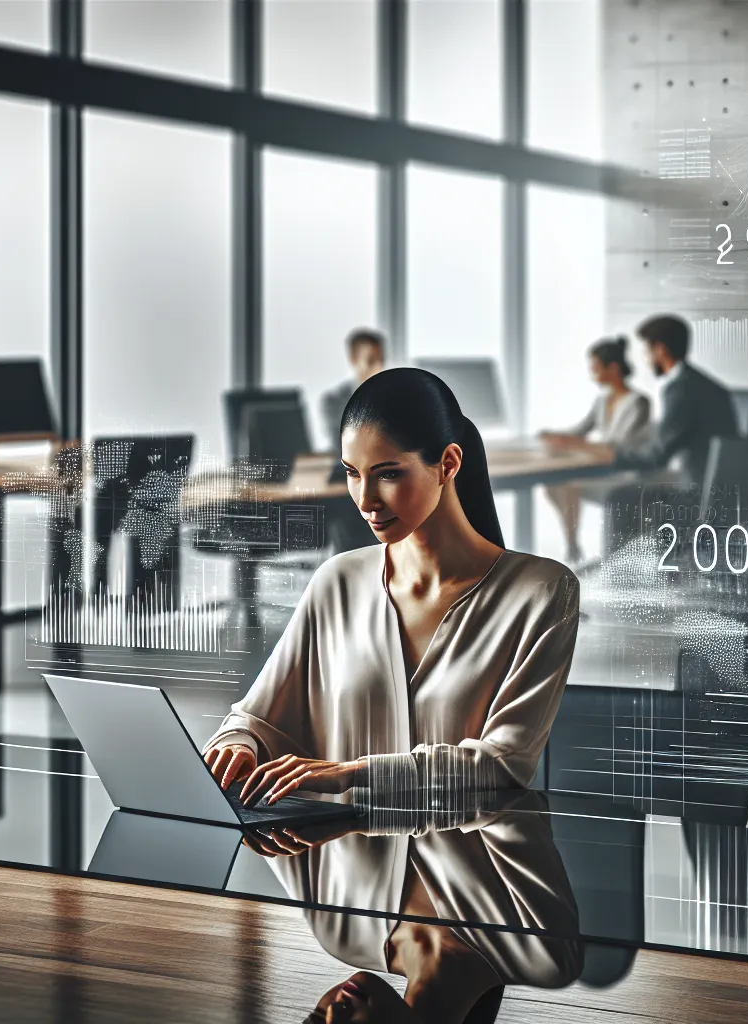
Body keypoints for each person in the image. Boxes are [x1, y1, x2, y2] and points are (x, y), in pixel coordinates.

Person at [202, 366, 582, 805]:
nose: (365, 500)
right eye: (352, 473)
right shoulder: (337, 582)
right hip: (333, 847)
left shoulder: (542, 592)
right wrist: (239, 743)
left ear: (448, 464)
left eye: (387, 474)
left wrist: (354, 774)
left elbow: (504, 763)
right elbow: (253, 718)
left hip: (466, 846)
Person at [247, 790, 583, 1024]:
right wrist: (365, 814)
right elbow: (510, 798)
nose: (334, 1012)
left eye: (316, 1020)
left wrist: (241, 744)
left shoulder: (339, 933)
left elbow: (260, 800)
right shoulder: (542, 953)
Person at [543, 314, 739, 486]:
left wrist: (592, 449)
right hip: (718, 486)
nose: (646, 358)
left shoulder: (681, 389)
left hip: (697, 491)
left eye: (647, 351)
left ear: (660, 350)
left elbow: (655, 456)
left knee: (620, 497)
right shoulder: (699, 382)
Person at [538, 336, 653, 563]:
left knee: (570, 484)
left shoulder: (638, 402)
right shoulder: (602, 401)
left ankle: (572, 549)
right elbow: (581, 429)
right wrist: (556, 436)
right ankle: (572, 544)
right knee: (553, 483)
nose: (593, 373)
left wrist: (575, 445)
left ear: (613, 368)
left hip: (624, 470)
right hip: (603, 466)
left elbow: (619, 444)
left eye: (596, 367)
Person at [319, 328, 387, 452]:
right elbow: (339, 445)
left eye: (381, 360)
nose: (378, 367)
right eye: (371, 361)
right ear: (354, 359)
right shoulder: (334, 400)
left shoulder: (394, 396)